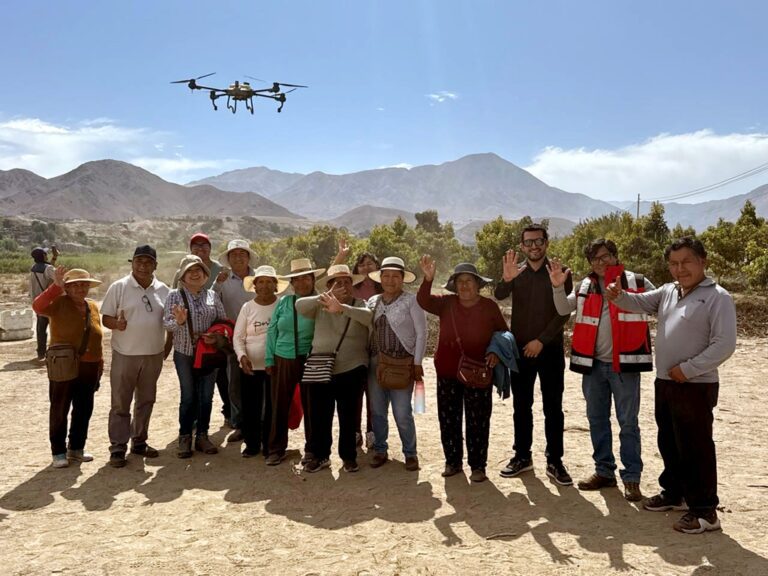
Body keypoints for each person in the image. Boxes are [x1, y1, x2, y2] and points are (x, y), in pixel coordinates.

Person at [606, 237, 737, 534]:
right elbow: (637, 302)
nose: (680, 269)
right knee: (670, 441)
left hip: (695, 385)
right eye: (674, 264)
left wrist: (688, 370)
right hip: (666, 382)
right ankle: (674, 493)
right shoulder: (668, 291)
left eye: (686, 262)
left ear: (703, 261)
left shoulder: (718, 297)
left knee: (696, 446)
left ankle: (705, 511)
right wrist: (617, 295)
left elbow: (725, 344)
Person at [549, 239, 655, 501]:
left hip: (625, 365)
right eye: (594, 259)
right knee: (597, 420)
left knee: (628, 423)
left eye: (605, 256)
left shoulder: (637, 281)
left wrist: (627, 296)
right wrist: (556, 287)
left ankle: (631, 478)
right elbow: (563, 308)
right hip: (593, 366)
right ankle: (604, 472)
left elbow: (659, 303)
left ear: (615, 256)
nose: (600, 262)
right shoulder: (585, 284)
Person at [494, 223, 574, 486]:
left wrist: (541, 340)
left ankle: (555, 460)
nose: (534, 246)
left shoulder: (560, 273)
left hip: (549, 350)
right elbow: (498, 294)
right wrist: (506, 279)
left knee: (553, 407)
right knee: (521, 406)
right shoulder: (518, 273)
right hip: (520, 351)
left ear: (547, 243)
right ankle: (522, 456)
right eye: (528, 243)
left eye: (538, 241)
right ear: (522, 247)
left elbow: (563, 312)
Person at [417, 258, 506, 483]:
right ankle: (453, 462)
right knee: (449, 419)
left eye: (469, 281)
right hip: (447, 372)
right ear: (454, 286)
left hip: (479, 373)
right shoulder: (446, 303)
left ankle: (478, 466)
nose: (464, 285)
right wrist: (428, 279)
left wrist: (495, 352)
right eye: (460, 281)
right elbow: (423, 300)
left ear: (478, 284)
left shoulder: (489, 307)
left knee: (479, 421)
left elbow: (503, 334)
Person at [296, 264, 372, 473]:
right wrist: (326, 297)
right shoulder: (319, 305)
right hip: (320, 366)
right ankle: (321, 456)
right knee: (320, 414)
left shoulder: (360, 304)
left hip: (352, 367)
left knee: (348, 415)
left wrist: (343, 308)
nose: (343, 285)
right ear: (329, 286)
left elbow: (369, 318)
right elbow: (300, 306)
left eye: (347, 281)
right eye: (337, 282)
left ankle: (348, 457)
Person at [101, 245, 170, 468]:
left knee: (146, 401)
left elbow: (170, 323)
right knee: (120, 402)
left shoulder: (164, 290)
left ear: (155, 266)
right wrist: (117, 325)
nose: (143, 266)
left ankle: (139, 442)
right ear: (132, 263)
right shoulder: (119, 287)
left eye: (148, 262)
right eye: (138, 261)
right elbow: (106, 319)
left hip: (153, 355)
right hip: (125, 354)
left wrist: (165, 349)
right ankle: (118, 448)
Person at [33, 266, 103, 469]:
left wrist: (100, 363)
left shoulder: (92, 306)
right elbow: (38, 306)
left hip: (89, 366)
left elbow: (96, 336)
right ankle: (58, 452)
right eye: (75, 285)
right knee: (60, 407)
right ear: (67, 287)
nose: (81, 288)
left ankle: (76, 448)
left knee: (83, 408)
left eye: (84, 284)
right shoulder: (58, 303)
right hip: (63, 364)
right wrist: (55, 286)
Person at [164, 255, 227, 458]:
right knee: (189, 396)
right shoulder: (174, 295)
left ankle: (202, 436)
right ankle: (184, 437)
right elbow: (167, 324)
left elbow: (222, 322)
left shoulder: (212, 296)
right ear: (182, 276)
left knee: (206, 397)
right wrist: (180, 322)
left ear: (205, 274)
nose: (194, 273)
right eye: (190, 271)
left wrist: (216, 337)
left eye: (198, 270)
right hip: (185, 353)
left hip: (208, 354)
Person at [367, 257, 426, 472]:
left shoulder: (412, 301)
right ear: (380, 278)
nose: (390, 280)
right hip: (377, 363)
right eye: (386, 275)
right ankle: (380, 449)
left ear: (402, 279)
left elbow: (421, 333)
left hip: (403, 363)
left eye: (395, 276)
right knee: (378, 410)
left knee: (402, 412)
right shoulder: (373, 301)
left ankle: (410, 453)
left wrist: (417, 362)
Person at [265, 258, 326, 466]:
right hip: (283, 358)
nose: (301, 283)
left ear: (312, 279)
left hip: (310, 358)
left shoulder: (320, 301)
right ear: (292, 283)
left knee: (312, 406)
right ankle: (276, 449)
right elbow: (272, 330)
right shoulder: (284, 302)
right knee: (279, 404)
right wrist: (269, 358)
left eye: (306, 278)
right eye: (297, 280)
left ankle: (312, 450)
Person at [233, 266, 287, 458]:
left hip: (276, 366)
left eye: (269, 281)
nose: (265, 285)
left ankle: (270, 444)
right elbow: (238, 337)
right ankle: (252, 444)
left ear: (276, 285)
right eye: (261, 281)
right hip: (250, 366)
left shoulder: (282, 305)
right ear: (254, 286)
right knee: (251, 406)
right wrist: (242, 356)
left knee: (273, 406)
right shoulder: (247, 308)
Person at [334, 238, 382, 449]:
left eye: (370, 263)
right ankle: (354, 431)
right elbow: (332, 278)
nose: (365, 267)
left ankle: (373, 431)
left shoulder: (386, 287)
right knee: (354, 393)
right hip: (354, 346)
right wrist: (341, 255)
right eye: (361, 264)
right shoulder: (350, 287)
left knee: (374, 392)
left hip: (378, 347)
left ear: (378, 267)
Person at [214, 239, 257, 443]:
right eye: (234, 254)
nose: (238, 257)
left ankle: (259, 423)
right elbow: (211, 302)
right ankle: (240, 424)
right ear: (228, 259)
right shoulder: (222, 280)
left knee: (259, 382)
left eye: (242, 254)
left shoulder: (260, 277)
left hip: (260, 338)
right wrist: (217, 284)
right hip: (232, 340)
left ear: (248, 257)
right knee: (235, 384)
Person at [29, 245, 58, 360]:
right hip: (48, 302)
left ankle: (41, 352)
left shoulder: (33, 268)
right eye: (46, 254)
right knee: (55, 327)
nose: (47, 255)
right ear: (43, 256)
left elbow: (47, 269)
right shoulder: (48, 268)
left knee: (41, 328)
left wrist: (55, 257)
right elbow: (57, 278)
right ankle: (55, 351)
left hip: (37, 302)